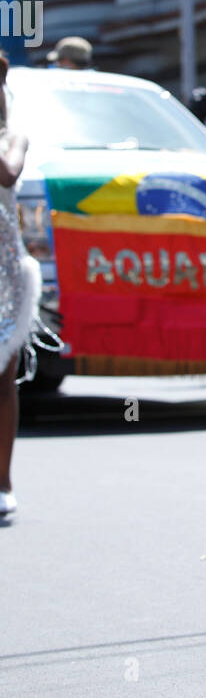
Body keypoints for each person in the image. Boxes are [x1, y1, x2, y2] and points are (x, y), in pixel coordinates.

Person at [0, 51, 41, 517]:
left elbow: (8, 172)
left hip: (5, 273)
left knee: (3, 381)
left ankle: (4, 481)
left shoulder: (13, 138)